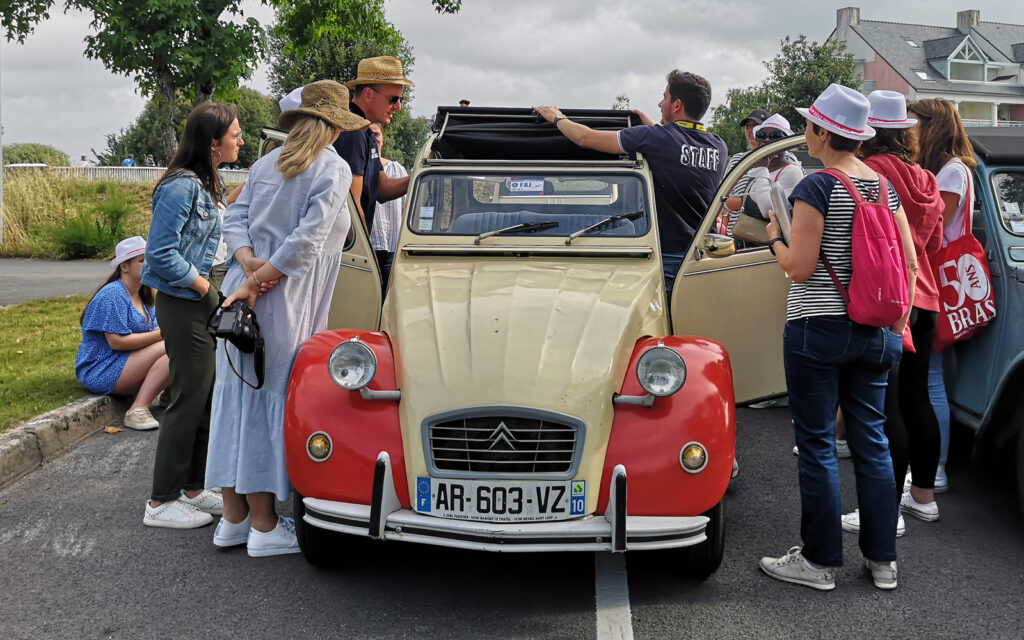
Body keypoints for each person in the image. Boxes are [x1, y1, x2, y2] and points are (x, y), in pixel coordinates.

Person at [759, 84, 918, 591]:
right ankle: (883, 561)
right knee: (872, 443)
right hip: (877, 330)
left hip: (817, 329)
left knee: (817, 444)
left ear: (823, 132)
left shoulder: (817, 187)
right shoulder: (884, 188)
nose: (806, 132)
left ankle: (819, 562)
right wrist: (896, 327)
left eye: (809, 124)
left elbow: (800, 268)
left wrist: (775, 239)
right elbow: (910, 264)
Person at [206, 80, 368, 557]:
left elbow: (234, 219)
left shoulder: (264, 165)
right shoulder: (332, 168)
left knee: (234, 399)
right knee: (265, 399)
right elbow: (306, 241)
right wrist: (259, 280)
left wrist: (247, 265)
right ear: (334, 126)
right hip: (280, 299)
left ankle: (233, 518)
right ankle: (263, 523)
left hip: (241, 293)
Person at [839, 90, 944, 539]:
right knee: (918, 400)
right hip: (927, 297)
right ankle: (923, 497)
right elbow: (934, 243)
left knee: (884, 409)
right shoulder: (927, 179)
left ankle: (885, 512)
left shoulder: (873, 172)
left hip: (889, 299)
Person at [140, 102, 244, 529]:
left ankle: (193, 488)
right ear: (212, 142)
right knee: (187, 397)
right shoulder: (181, 186)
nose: (241, 141)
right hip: (185, 300)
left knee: (206, 393)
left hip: (202, 296)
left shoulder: (210, 183)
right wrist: (204, 288)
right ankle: (160, 500)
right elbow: (159, 254)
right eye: (235, 135)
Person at [533, 70, 727, 296]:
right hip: (703, 259)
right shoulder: (718, 147)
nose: (660, 104)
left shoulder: (653, 138)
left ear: (677, 105)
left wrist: (557, 117)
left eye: (664, 97)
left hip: (667, 258)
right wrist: (655, 127)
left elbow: (586, 138)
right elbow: (679, 152)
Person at [901, 97, 978, 503]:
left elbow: (935, 227)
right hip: (941, 277)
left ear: (933, 125)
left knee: (930, 379)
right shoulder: (954, 169)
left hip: (938, 276)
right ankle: (932, 467)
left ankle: (937, 469)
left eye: (915, 122)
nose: (910, 128)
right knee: (929, 377)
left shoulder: (951, 171)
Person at [75, 236, 168, 431]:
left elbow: (156, 332)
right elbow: (117, 342)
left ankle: (170, 396)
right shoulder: (113, 294)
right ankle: (137, 409)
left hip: (125, 363)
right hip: (101, 368)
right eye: (142, 261)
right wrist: (165, 334)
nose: (149, 265)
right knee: (172, 345)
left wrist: (165, 333)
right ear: (124, 266)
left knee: (180, 344)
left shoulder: (144, 294)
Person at [336, 56, 413, 233]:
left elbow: (381, 187)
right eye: (393, 99)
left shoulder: (365, 131)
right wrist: (366, 249)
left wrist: (422, 177)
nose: (398, 107)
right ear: (368, 94)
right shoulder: (353, 131)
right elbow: (351, 209)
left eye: (400, 100)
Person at [368, 123, 408, 287]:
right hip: (367, 249)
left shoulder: (397, 169)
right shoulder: (357, 169)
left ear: (383, 138)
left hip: (392, 247)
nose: (373, 138)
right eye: (369, 134)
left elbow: (406, 209)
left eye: (377, 134)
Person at [724, 108, 769, 176]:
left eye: (756, 125)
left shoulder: (777, 159)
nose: (751, 129)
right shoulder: (737, 160)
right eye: (748, 126)